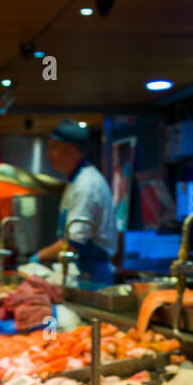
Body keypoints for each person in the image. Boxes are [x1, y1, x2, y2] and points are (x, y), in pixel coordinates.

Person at [36, 119, 117, 289]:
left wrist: (39, 257)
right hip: (83, 273)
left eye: (54, 147)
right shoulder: (76, 180)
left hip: (92, 278)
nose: (48, 155)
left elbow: (73, 243)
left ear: (72, 150)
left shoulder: (87, 184)